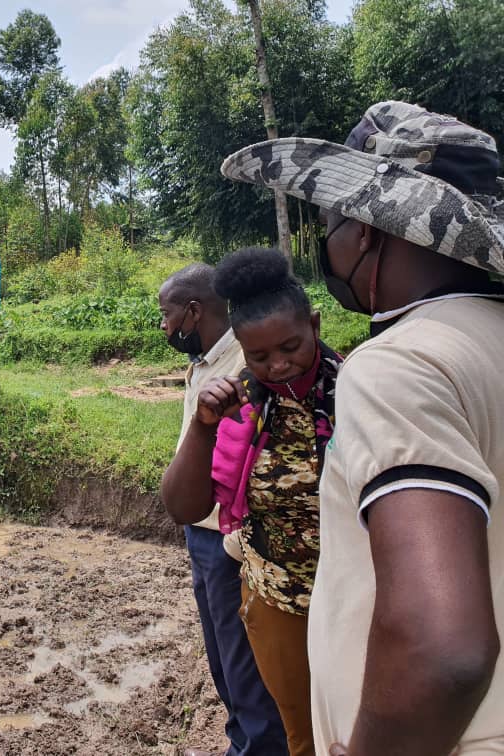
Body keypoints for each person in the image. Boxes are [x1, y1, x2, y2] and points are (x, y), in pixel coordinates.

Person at [221, 102, 504, 755]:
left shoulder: (398, 366)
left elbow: (443, 649)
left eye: (330, 223)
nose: (330, 243)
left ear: (370, 231)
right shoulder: (483, 342)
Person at [161, 248, 343, 756]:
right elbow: (183, 507)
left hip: (353, 598)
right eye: (260, 358)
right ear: (241, 349)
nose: (279, 365)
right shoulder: (239, 403)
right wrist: (202, 429)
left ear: (314, 324)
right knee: (297, 733)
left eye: (290, 347)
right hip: (276, 599)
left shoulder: (355, 390)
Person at [158, 263, 288, 756]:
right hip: (202, 533)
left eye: (167, 314)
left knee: (244, 666)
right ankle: (240, 740)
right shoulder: (206, 363)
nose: (164, 327)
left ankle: (256, 745)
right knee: (223, 661)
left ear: (194, 311)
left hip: (231, 542)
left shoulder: (242, 365)